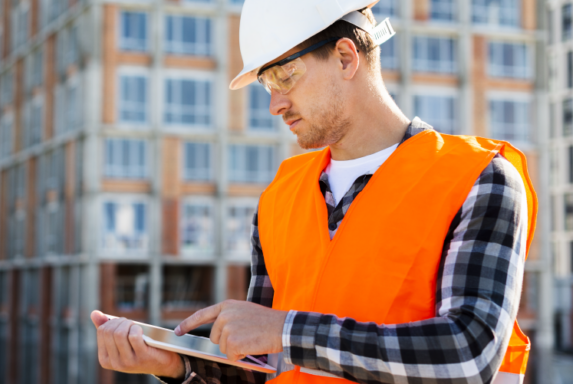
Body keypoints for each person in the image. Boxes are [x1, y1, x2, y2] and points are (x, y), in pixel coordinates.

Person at [90, 0, 537, 383]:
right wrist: (176, 364)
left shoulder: (479, 178)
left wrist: (287, 330)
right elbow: (265, 363)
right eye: (268, 83)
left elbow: (468, 356)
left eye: (285, 75)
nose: (274, 104)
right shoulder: (279, 198)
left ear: (346, 58)